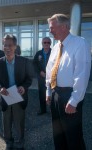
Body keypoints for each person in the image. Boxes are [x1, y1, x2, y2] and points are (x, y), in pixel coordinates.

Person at [46, 14, 91, 150]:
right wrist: (48, 91)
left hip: (69, 95)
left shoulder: (80, 43)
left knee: (73, 136)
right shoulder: (55, 47)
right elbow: (49, 71)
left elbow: (82, 75)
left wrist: (74, 100)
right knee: (58, 135)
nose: (50, 31)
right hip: (55, 94)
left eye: (52, 28)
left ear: (64, 27)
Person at [0, 34, 33, 150]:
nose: (7, 48)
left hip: (19, 97)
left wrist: (24, 87)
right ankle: (8, 142)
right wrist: (0, 88)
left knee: (19, 122)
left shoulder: (24, 61)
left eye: (10, 45)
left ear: (15, 46)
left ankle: (20, 142)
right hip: (5, 96)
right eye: (5, 45)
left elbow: (29, 79)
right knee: (6, 122)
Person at [33, 37, 51, 115]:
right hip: (41, 77)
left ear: (50, 44)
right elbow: (34, 64)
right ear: (42, 44)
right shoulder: (38, 53)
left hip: (51, 78)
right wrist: (40, 72)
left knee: (52, 94)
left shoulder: (54, 52)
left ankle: (53, 110)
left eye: (48, 42)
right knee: (42, 94)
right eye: (45, 42)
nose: (46, 44)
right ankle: (43, 110)